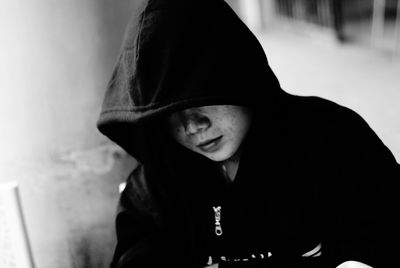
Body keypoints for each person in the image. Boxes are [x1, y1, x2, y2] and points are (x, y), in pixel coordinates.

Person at [96, 0, 399, 267]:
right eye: (167, 114)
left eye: (199, 99)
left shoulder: (335, 142)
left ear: (240, 78)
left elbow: (384, 240)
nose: (192, 126)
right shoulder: (154, 186)